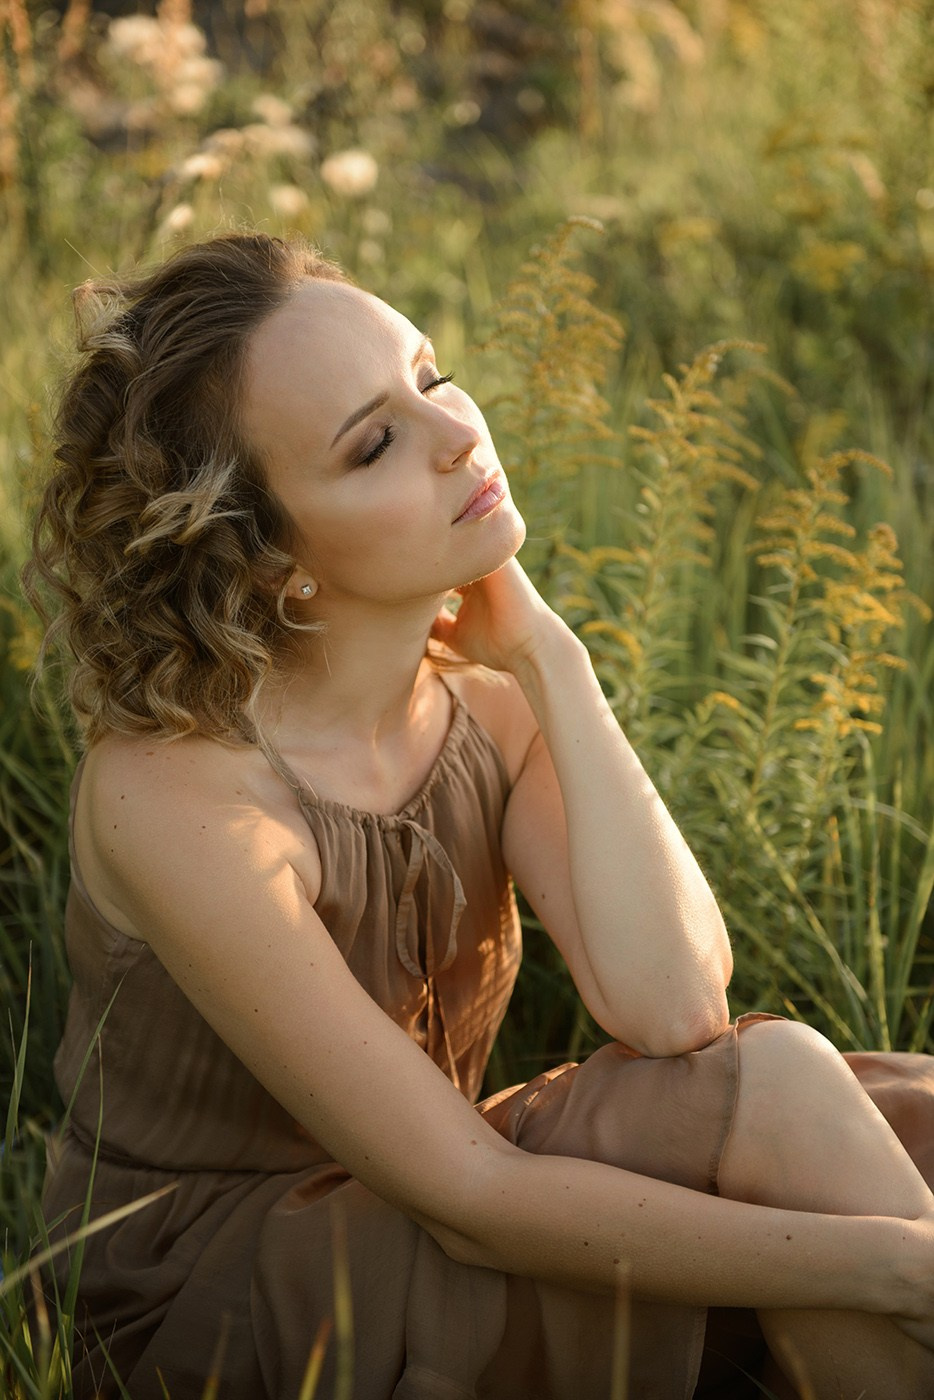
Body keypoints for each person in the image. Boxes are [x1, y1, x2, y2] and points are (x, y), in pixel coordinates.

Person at [27, 231, 934, 1400]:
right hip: (236, 1297)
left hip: (424, 1195)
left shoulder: (483, 707)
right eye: (374, 444)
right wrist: (894, 1265)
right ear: (267, 561)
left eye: (431, 372)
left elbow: (674, 1006)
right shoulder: (181, 792)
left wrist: (555, 663)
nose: (458, 433)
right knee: (796, 1125)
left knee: (859, 1108)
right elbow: (471, 1198)